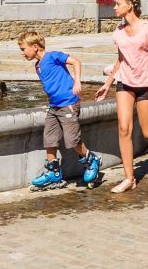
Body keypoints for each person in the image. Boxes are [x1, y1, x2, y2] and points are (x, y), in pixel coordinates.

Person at [94, 0, 148, 193]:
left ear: (130, 5)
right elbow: (121, 59)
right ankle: (129, 178)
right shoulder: (119, 32)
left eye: (118, 3)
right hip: (125, 82)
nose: (114, 7)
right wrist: (108, 82)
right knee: (124, 129)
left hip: (146, 83)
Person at [23, 32, 101, 190]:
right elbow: (50, 84)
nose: (22, 53)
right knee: (49, 139)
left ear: (35, 47)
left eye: (24, 49)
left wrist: (77, 81)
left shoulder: (52, 56)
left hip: (68, 103)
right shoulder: (37, 66)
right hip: (54, 106)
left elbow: (76, 61)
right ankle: (54, 173)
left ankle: (91, 159)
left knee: (72, 140)